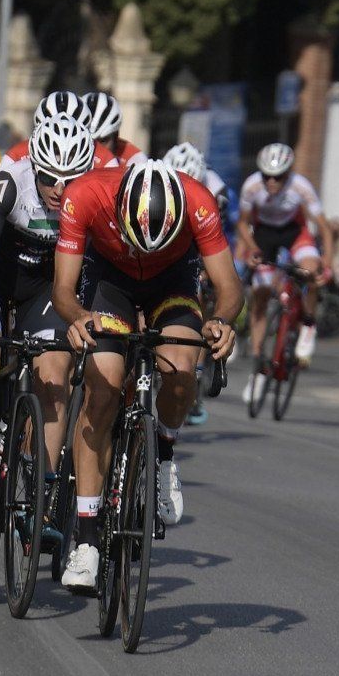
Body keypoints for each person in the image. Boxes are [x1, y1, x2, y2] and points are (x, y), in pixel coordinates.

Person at [52, 160, 242, 591]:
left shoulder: (198, 202)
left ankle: (166, 455)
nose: (146, 249)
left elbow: (228, 286)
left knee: (180, 367)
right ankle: (85, 542)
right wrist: (79, 317)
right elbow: (62, 288)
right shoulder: (85, 195)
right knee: (101, 394)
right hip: (110, 282)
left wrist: (222, 321)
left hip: (172, 282)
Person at [0, 113, 96, 511]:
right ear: (35, 167)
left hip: (46, 290)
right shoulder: (10, 183)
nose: (59, 190)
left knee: (54, 379)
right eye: (49, 178)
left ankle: (42, 489)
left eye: (70, 180)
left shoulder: (91, 196)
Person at [235, 143, 335, 385]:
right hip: (264, 234)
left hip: (294, 231)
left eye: (278, 177)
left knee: (310, 271)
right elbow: (242, 224)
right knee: (260, 293)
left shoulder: (300, 186)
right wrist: (252, 247)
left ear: (288, 174)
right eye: (266, 176)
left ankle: (308, 323)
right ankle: (258, 357)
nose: (271, 182)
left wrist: (327, 264)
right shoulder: (252, 186)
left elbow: (324, 228)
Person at [162, 141, 228, 426]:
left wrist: (204, 273)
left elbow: (214, 244)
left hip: (205, 244)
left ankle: (198, 368)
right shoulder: (154, 185)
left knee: (200, 294)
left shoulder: (215, 193)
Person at [80, 91, 147, 168]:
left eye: (102, 141)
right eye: (87, 141)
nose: (96, 149)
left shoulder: (135, 160)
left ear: (115, 137)